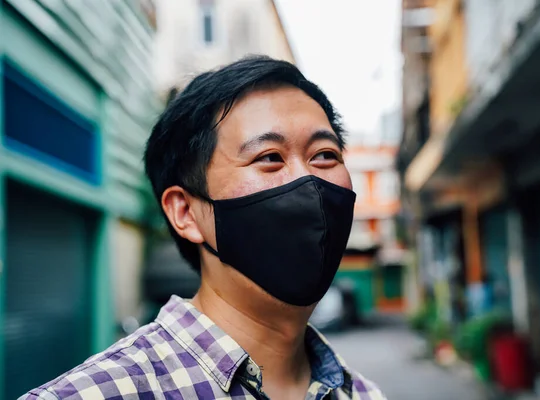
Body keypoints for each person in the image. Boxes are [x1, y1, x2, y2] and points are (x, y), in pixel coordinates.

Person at [20, 56, 386, 400]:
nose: (309, 181)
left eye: (325, 155)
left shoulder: (364, 395)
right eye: (269, 157)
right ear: (186, 212)